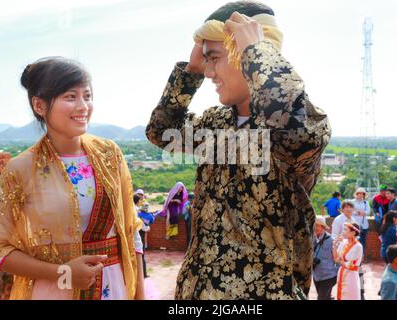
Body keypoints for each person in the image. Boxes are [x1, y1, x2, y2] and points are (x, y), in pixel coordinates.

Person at [146, 1, 331, 299]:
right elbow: (161, 131)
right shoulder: (215, 123)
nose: (208, 72)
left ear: (248, 54)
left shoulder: (304, 122)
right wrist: (190, 72)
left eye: (214, 58)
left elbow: (294, 130)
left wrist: (257, 50)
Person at [0, 57, 144, 300]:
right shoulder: (21, 169)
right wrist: (63, 273)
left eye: (87, 95)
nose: (83, 105)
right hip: (54, 290)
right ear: (39, 105)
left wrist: (139, 296)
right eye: (71, 97)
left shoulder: (110, 154)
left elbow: (130, 229)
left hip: (113, 286)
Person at [333, 222, 363, 300]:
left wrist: (341, 261)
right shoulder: (344, 242)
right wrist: (335, 244)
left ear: (353, 233)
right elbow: (336, 258)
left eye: (345, 230)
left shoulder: (358, 246)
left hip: (351, 275)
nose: (343, 232)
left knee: (349, 296)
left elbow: (351, 265)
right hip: (342, 272)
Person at [312, 217, 338, 300]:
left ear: (323, 227)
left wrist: (337, 274)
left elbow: (337, 258)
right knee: (325, 297)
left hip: (328, 276)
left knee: (321, 298)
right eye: (314, 226)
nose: (315, 228)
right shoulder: (312, 239)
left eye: (317, 225)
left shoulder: (331, 240)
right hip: (316, 275)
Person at [137, 201, 156, 278]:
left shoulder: (138, 214)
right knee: (142, 256)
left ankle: (139, 274)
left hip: (138, 235)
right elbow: (151, 221)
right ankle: (144, 274)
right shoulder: (150, 216)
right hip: (143, 236)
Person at [351, 188, 370, 256]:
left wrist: (362, 212)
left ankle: (362, 256)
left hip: (364, 224)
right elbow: (351, 211)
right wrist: (358, 212)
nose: (360, 195)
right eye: (359, 193)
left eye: (362, 193)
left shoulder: (365, 202)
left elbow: (368, 212)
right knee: (354, 240)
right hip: (354, 224)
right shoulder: (352, 202)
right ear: (356, 194)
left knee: (363, 241)